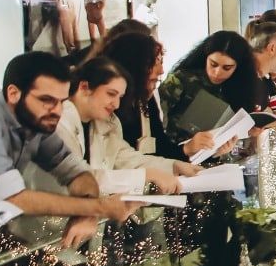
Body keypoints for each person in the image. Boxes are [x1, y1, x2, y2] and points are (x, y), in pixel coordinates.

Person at [0, 52, 140, 247]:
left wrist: (88, 210)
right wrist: (99, 207)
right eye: (47, 99)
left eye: (61, 101)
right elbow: (13, 198)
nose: (57, 111)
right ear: (13, 94)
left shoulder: (36, 120)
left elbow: (76, 172)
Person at [57, 56, 197, 194]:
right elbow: (80, 179)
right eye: (111, 94)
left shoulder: (107, 123)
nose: (116, 104)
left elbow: (127, 158)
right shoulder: (59, 123)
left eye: (120, 97)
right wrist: (144, 176)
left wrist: (173, 166)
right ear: (84, 87)